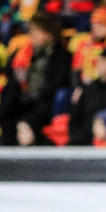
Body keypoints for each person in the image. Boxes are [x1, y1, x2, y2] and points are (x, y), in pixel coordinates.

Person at [9, 10, 71, 138]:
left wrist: (36, 95)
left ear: (49, 34)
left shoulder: (60, 55)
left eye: (36, 31)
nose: (31, 35)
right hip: (26, 100)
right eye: (31, 31)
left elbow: (57, 82)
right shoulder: (28, 53)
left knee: (25, 124)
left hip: (46, 102)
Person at [68, 46, 106, 145]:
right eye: (100, 61)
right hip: (83, 136)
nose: (100, 65)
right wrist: (75, 135)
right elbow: (76, 116)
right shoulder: (88, 88)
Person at [68, 6, 106, 85]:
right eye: (94, 26)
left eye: (100, 26)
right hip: (85, 84)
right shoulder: (85, 43)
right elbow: (76, 69)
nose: (95, 29)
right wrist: (78, 86)